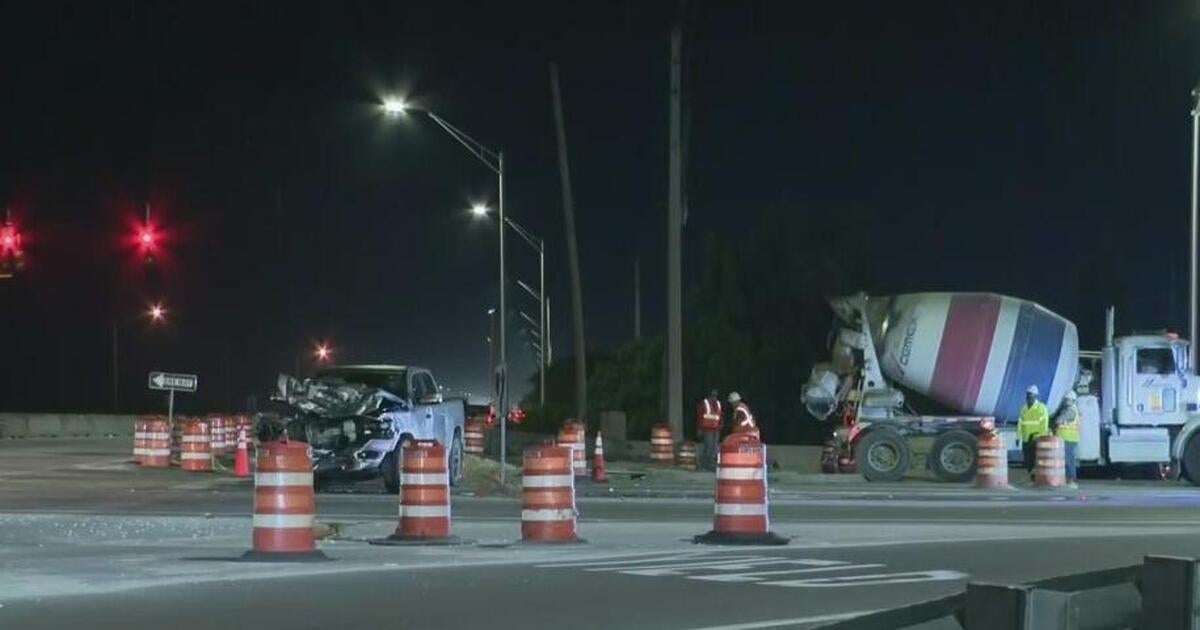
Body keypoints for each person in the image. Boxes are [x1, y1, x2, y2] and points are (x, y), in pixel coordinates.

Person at [1018, 384, 1050, 481]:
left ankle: (1037, 478)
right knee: (1028, 460)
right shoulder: (1024, 408)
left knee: (1036, 459)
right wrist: (1018, 436)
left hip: (1036, 439)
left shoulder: (1041, 408)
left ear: (1036, 396)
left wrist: (1040, 436)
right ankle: (1032, 477)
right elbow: (1020, 423)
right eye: (1027, 395)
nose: (1028, 397)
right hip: (1026, 439)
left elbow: (1044, 425)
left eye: (1030, 395)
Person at [1053, 390, 1080, 488]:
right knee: (1065, 461)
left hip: (1069, 439)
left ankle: (1071, 481)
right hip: (1064, 439)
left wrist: (1057, 419)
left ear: (1072, 401)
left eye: (1067, 400)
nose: (1065, 402)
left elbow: (1058, 420)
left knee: (1069, 461)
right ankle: (1067, 480)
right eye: (1065, 400)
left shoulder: (1071, 411)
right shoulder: (1067, 409)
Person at [696, 390, 723, 471]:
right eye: (712, 396)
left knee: (714, 448)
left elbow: (720, 416)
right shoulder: (704, 403)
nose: (714, 398)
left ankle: (710, 465)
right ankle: (704, 465)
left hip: (716, 429)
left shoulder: (718, 403)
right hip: (707, 429)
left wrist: (720, 426)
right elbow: (700, 417)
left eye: (715, 396)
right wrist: (699, 429)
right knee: (708, 447)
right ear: (709, 396)